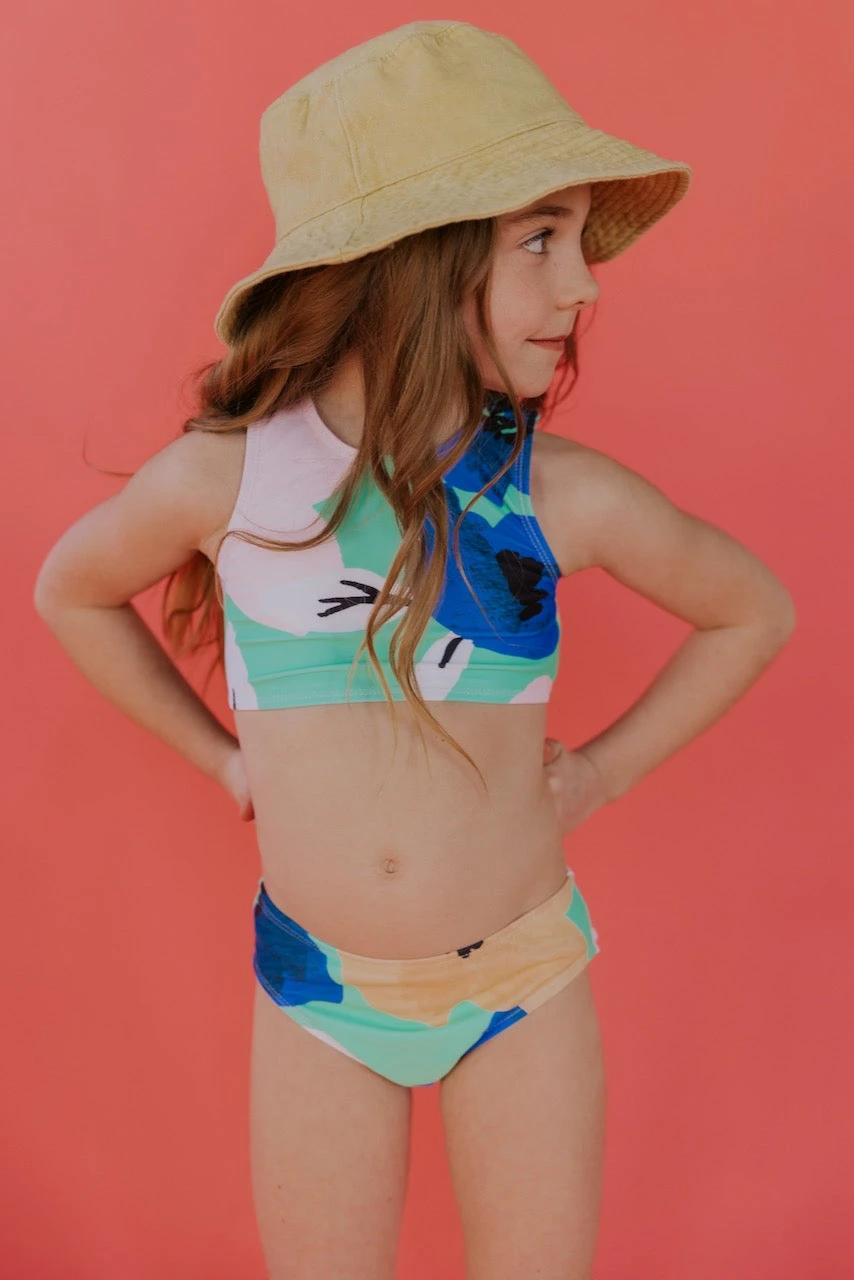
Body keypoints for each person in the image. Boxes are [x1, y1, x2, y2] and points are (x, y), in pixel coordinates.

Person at [32, 20, 796, 1280]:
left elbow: (751, 608)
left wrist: (598, 773)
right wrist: (224, 759)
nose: (584, 285)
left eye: (576, 240)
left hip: (520, 977)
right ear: (410, 263)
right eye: (539, 239)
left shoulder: (556, 491)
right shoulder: (226, 482)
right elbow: (69, 590)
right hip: (318, 989)